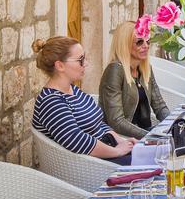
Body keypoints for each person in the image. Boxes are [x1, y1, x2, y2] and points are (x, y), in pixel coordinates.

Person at [31, 36, 136, 164]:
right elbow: (76, 140)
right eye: (80, 60)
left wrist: (122, 142)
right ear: (60, 65)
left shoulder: (72, 89)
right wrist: (117, 151)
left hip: (106, 152)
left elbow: (97, 123)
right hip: (94, 164)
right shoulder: (51, 102)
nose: (85, 63)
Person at [98, 22, 172, 140]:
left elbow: (159, 105)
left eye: (147, 41)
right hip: (123, 138)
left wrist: (173, 125)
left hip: (143, 133)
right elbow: (116, 121)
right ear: (124, 44)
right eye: (139, 42)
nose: (146, 46)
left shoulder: (144, 68)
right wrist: (151, 136)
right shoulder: (115, 70)